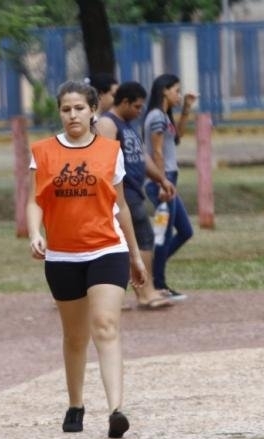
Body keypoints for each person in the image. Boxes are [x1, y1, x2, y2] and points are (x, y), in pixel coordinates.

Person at [26, 80, 145, 438]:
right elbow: (35, 200)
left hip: (107, 248)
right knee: (75, 336)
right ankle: (76, 403)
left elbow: (120, 206)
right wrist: (35, 233)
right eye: (66, 109)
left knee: (106, 325)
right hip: (62, 255)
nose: (72, 115)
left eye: (79, 108)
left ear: (93, 110)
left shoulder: (110, 151)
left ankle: (116, 410)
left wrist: (136, 256)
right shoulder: (44, 152)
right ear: (59, 113)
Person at [96, 81, 176, 310]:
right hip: (122, 192)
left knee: (138, 240)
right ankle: (144, 291)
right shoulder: (107, 124)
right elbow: (104, 161)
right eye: (137, 107)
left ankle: (133, 292)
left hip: (134, 190)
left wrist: (161, 178)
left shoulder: (128, 125)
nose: (140, 111)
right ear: (124, 102)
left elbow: (141, 157)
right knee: (141, 239)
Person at [143, 73, 197, 301]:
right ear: (164, 90)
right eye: (176, 90)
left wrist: (186, 109)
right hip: (161, 182)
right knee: (163, 234)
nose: (178, 94)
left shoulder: (164, 116)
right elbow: (156, 151)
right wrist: (162, 182)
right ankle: (158, 283)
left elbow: (177, 138)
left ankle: (151, 270)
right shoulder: (156, 116)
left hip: (168, 180)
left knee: (185, 231)